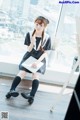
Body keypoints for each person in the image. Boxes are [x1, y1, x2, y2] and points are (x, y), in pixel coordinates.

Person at [6, 16, 51, 104]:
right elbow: (29, 50)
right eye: (37, 24)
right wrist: (32, 42)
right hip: (29, 56)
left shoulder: (47, 37)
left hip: (40, 58)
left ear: (44, 27)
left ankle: (31, 95)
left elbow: (46, 53)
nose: (38, 27)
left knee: (36, 75)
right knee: (21, 73)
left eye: (41, 25)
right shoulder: (30, 34)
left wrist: (37, 62)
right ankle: (11, 90)